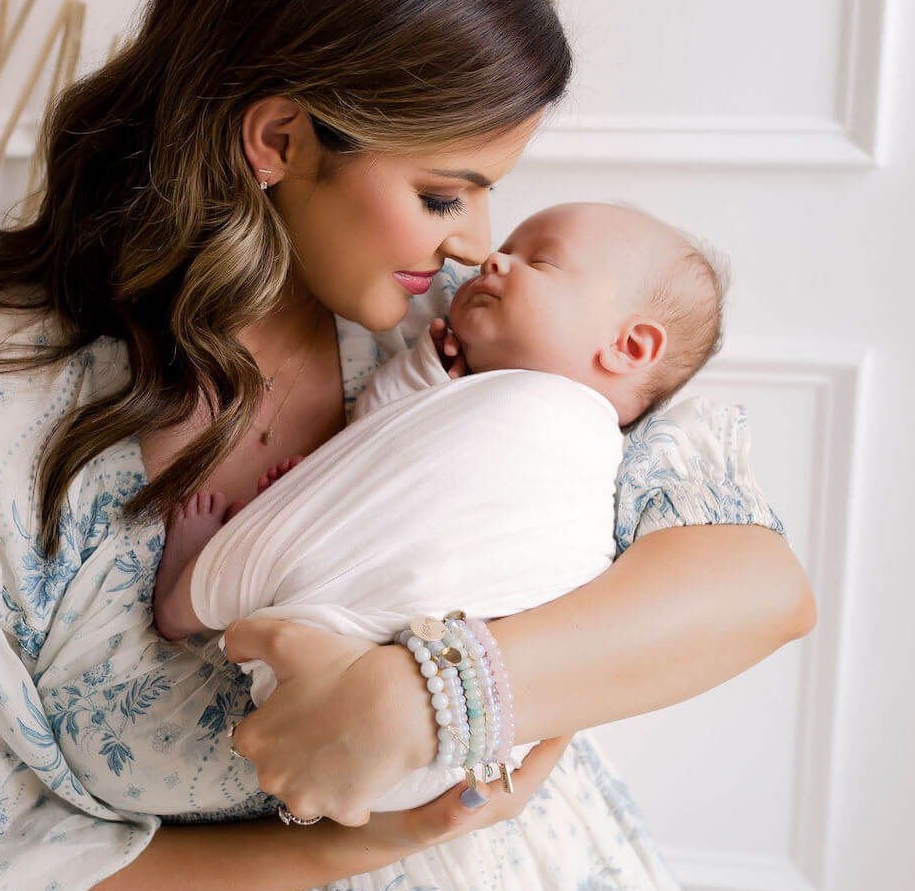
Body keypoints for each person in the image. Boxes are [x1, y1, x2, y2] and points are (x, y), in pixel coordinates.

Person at [0, 0, 814, 891]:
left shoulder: (484, 335)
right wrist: (349, 844)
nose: (473, 240)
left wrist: (427, 694)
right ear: (278, 140)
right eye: (444, 191)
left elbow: (753, 583)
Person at [149, 201, 728, 815]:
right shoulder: (460, 382)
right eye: (509, 246)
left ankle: (185, 601)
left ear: (630, 346)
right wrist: (425, 376)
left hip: (445, 707)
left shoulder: (592, 446)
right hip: (348, 670)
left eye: (541, 261)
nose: (493, 258)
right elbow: (386, 434)